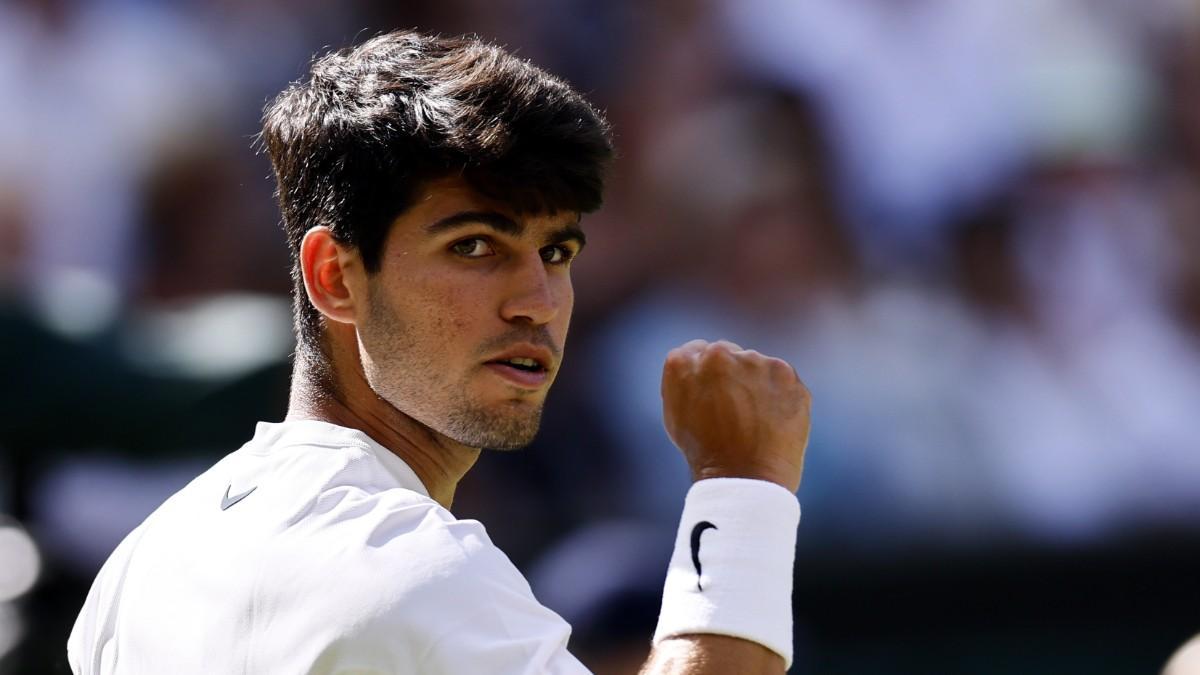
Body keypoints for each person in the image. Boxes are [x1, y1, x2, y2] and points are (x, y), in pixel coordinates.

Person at [67, 30, 811, 674]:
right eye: (476, 245)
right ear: (336, 277)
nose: (538, 302)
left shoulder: (143, 561)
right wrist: (740, 484)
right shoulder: (417, 569)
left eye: (555, 250)